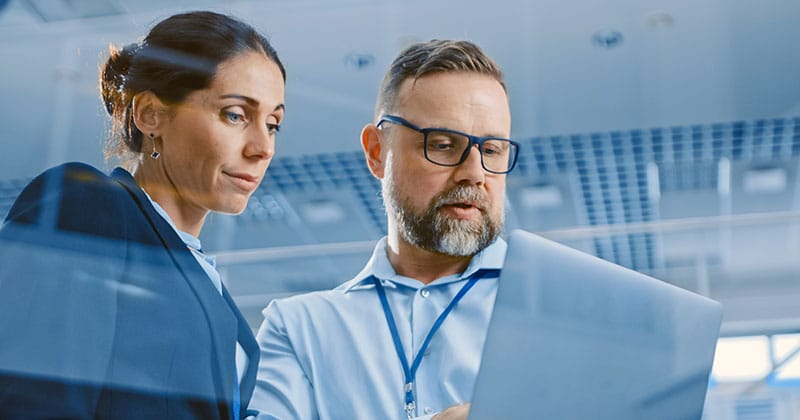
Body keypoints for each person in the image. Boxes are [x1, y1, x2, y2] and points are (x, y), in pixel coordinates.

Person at [0, 11, 285, 419]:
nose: (263, 147)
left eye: (273, 123)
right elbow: (30, 403)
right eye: (235, 115)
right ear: (150, 114)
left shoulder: (204, 279)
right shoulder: (88, 207)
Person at [250, 39, 518, 420]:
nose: (475, 173)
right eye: (443, 145)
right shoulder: (299, 330)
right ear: (377, 152)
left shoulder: (567, 309)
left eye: (492, 151)